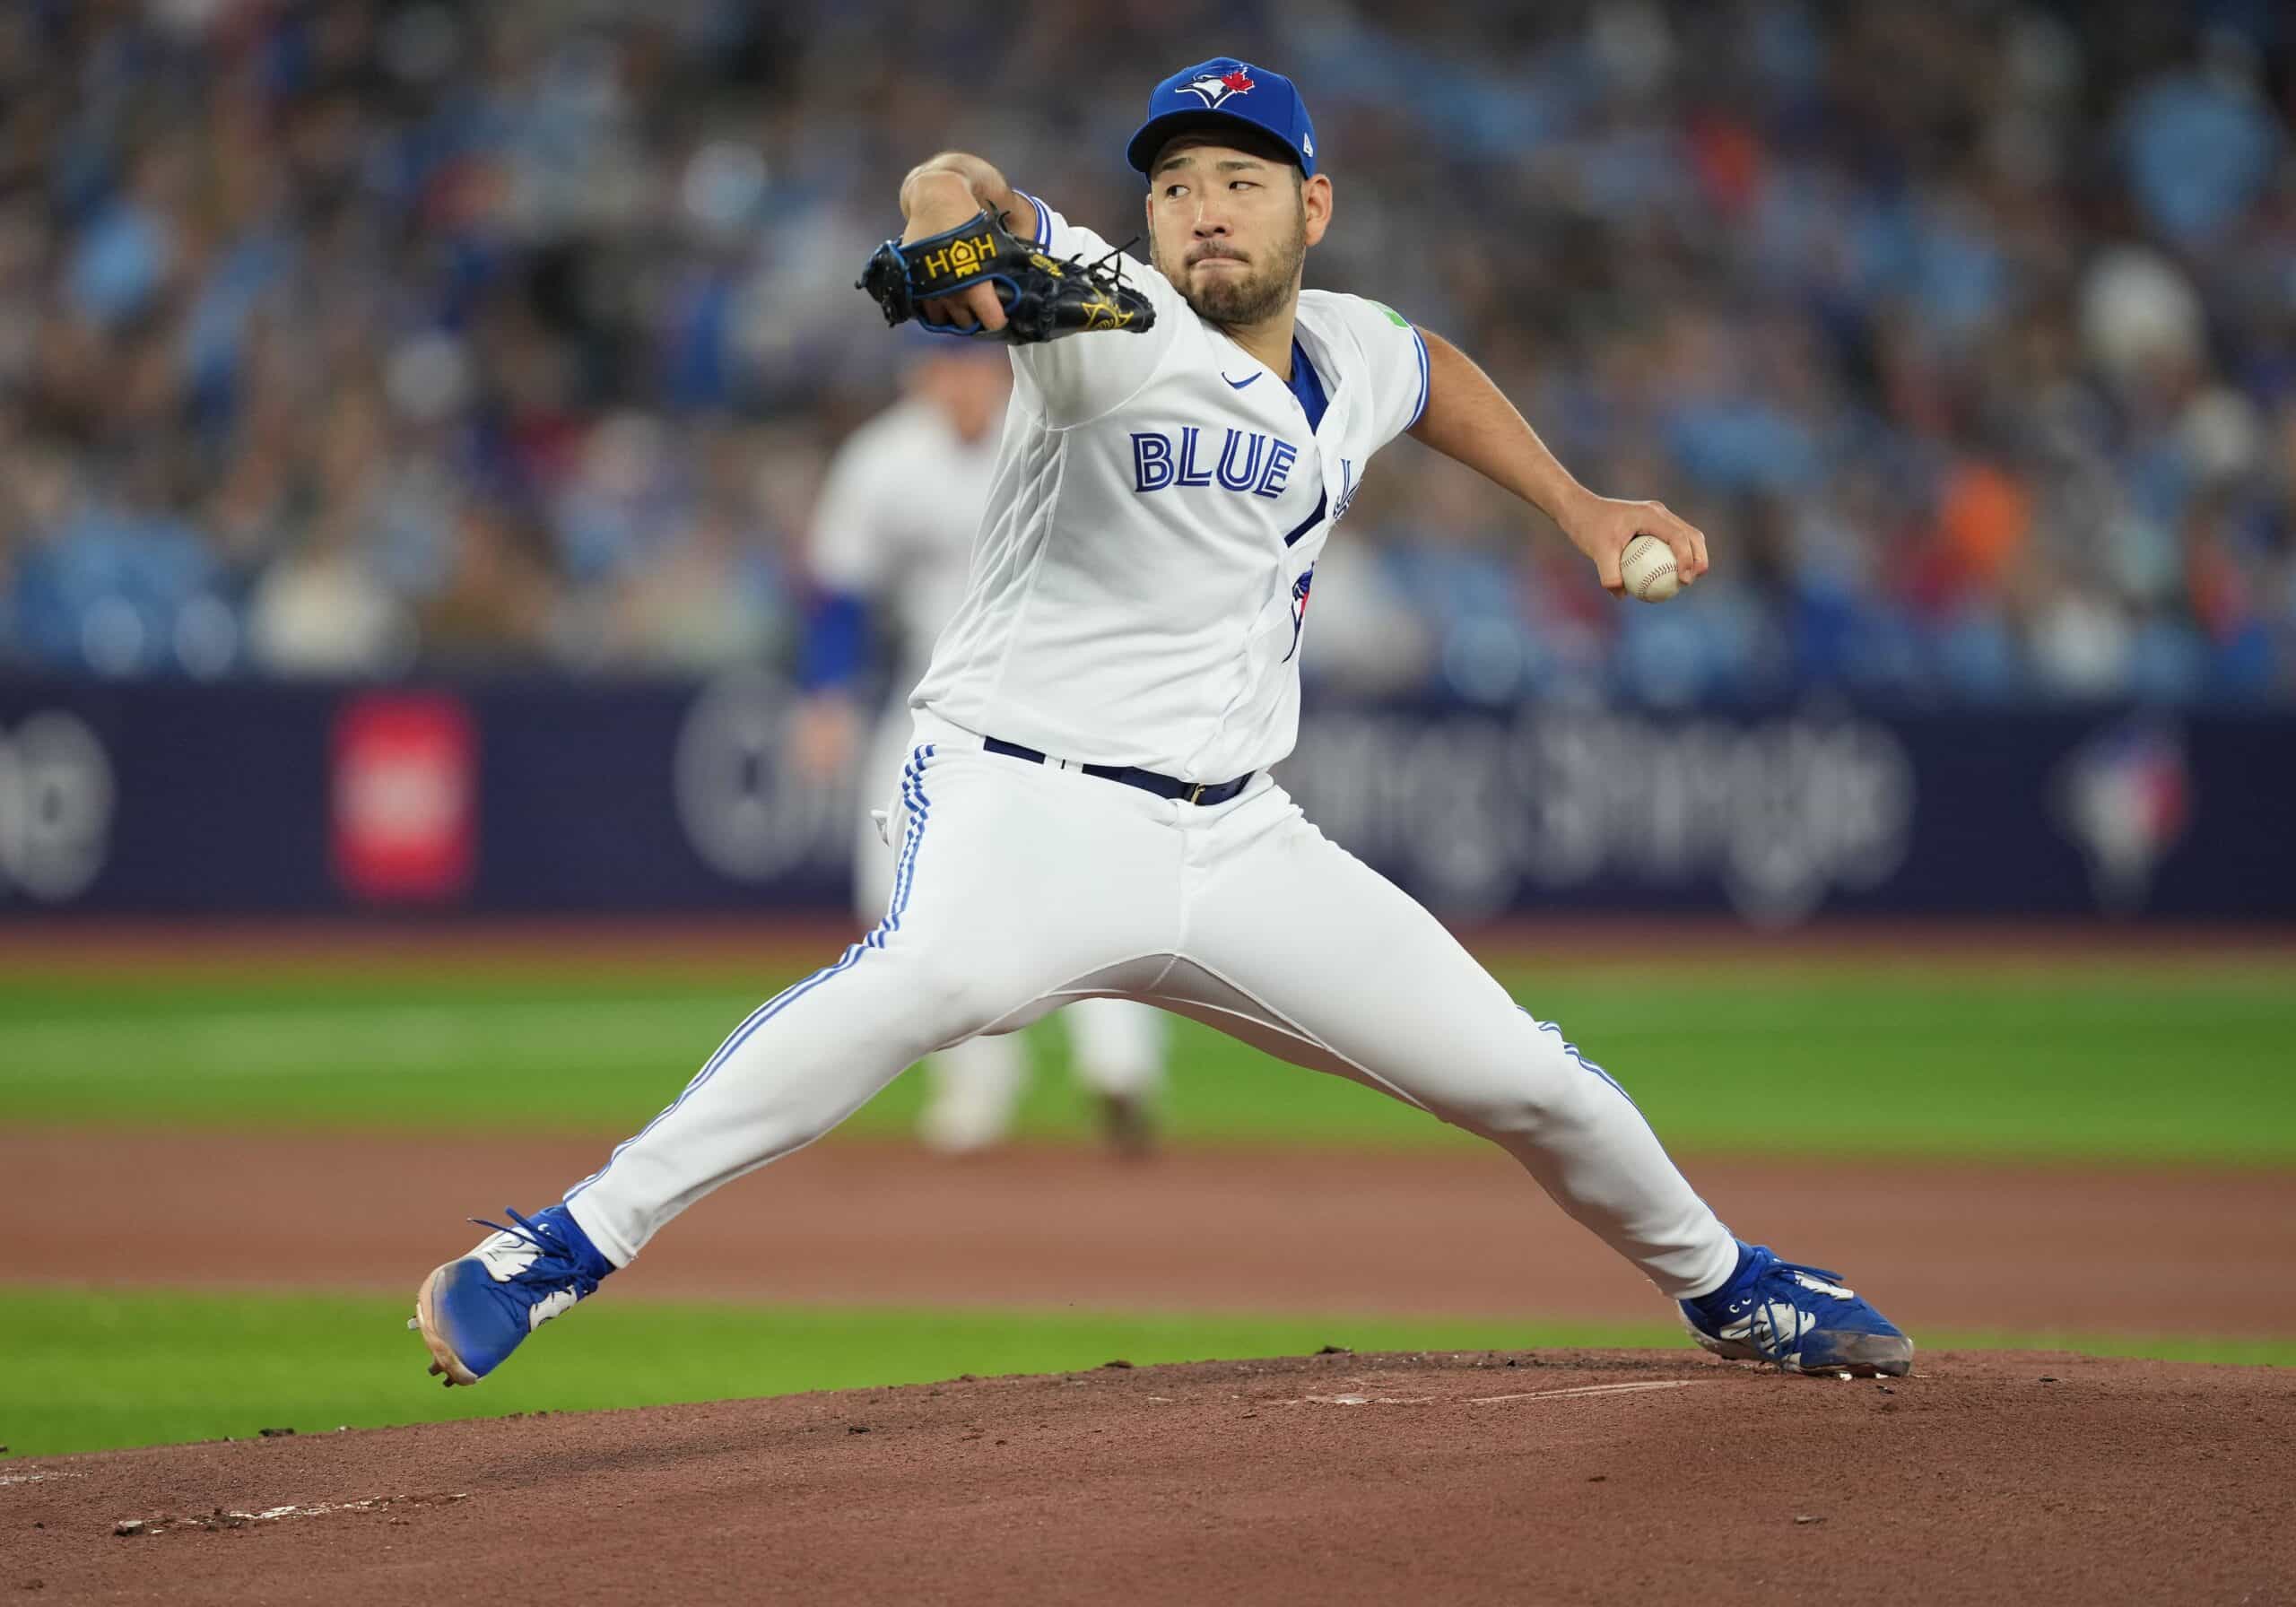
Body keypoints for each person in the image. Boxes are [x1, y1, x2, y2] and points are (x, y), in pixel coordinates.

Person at [414, 57, 1912, 1385]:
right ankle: (560, 1246)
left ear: (1311, 207)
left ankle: (1732, 1292)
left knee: (1524, 1075)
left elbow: (1428, 371)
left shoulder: (1353, 350)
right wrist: (955, 228)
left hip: (1244, 837)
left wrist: (1584, 510)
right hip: (1028, 801)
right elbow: (967, 193)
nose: (1203, 206)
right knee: (920, 984)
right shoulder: (1103, 317)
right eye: (1177, 182)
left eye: (1240, 181)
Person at [793, 338, 1167, 1155]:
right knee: (895, 876)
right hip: (941, 695)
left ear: (1000, 371)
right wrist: (824, 696)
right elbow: (840, 593)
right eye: (943, 369)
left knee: (1094, 876)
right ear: (917, 376)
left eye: (973, 367)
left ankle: (1120, 1069)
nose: (959, 385)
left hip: (1062, 692)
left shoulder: (1057, 432)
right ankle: (973, 1087)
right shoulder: (885, 460)